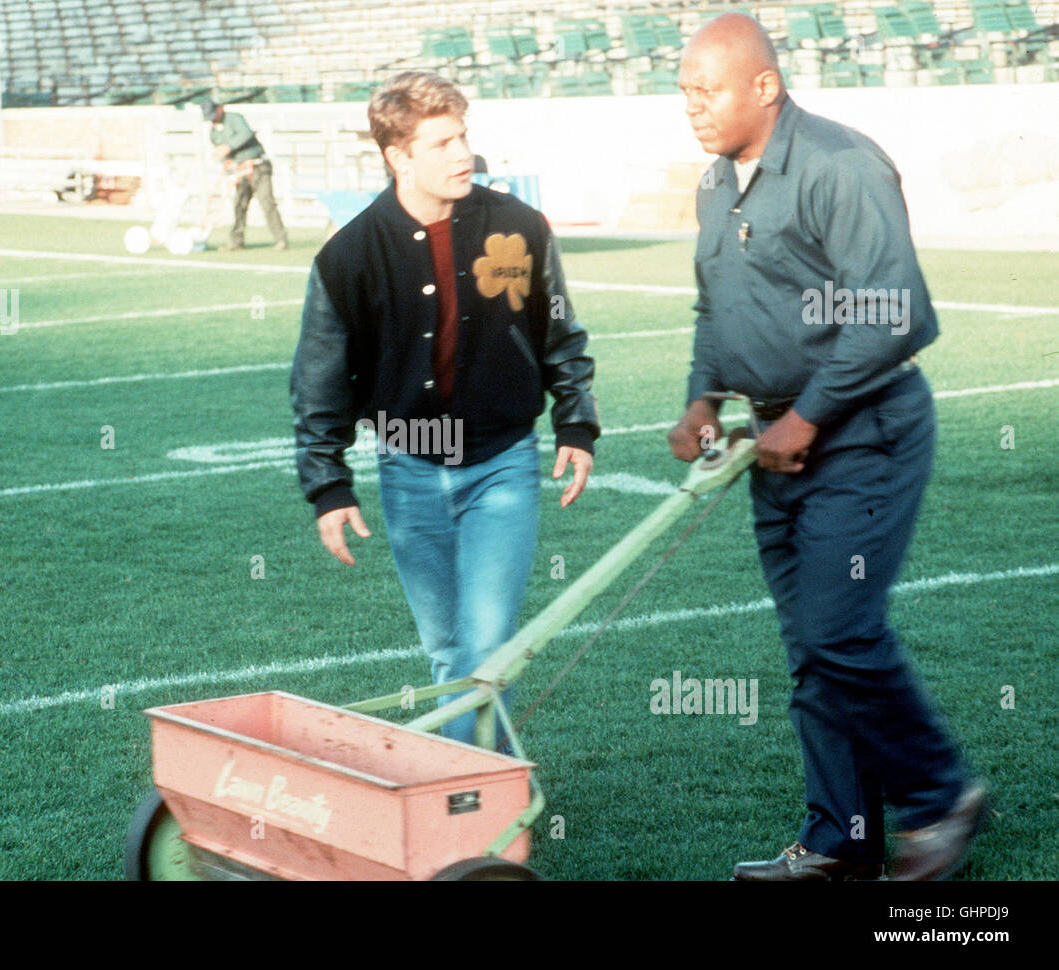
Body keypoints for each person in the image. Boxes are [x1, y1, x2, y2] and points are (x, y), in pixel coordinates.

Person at [669, 13, 986, 881]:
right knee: (812, 643)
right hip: (775, 443)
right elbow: (719, 311)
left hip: (863, 436)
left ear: (765, 86)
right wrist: (702, 397)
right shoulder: (712, 184)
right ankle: (840, 840)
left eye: (709, 90)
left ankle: (943, 796)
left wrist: (804, 420)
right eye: (685, 91)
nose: (692, 107)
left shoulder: (841, 165)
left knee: (839, 629)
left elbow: (896, 315)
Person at [290, 71, 598, 747]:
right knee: (449, 655)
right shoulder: (347, 257)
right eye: (441, 143)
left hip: (502, 465)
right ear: (399, 156)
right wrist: (328, 486)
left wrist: (576, 422)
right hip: (408, 470)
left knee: (486, 652)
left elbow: (558, 330)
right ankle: (493, 797)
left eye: (463, 136)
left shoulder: (518, 225)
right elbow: (318, 381)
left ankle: (453, 811)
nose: (462, 154)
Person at [201, 101, 288, 250]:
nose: (213, 119)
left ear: (220, 109)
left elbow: (246, 134)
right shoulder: (213, 133)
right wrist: (229, 167)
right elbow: (222, 155)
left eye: (213, 115)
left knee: (267, 202)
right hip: (240, 171)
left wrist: (228, 147)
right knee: (239, 205)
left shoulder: (235, 119)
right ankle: (236, 241)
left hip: (258, 166)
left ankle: (281, 239)